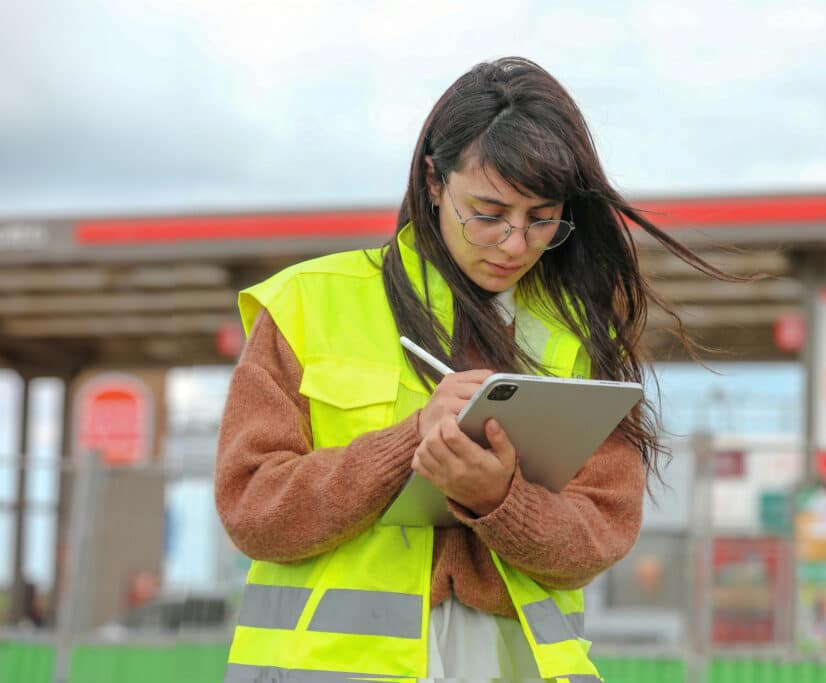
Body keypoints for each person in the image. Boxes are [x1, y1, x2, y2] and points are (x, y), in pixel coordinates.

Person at [215, 56, 735, 682]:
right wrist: (408, 442)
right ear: (433, 182)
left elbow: (601, 532)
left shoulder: (577, 336)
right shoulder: (308, 303)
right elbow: (251, 507)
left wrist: (499, 501)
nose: (514, 244)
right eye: (487, 213)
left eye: (542, 218)